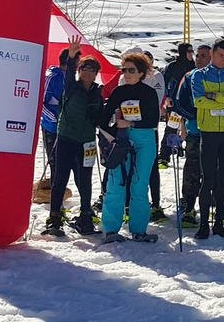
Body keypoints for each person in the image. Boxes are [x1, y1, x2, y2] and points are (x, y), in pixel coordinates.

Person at [44, 36, 103, 236]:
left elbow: (100, 116)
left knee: (84, 179)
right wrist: (71, 56)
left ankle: (85, 217)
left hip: (87, 141)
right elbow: (68, 74)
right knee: (60, 177)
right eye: (84, 68)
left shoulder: (97, 92)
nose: (87, 72)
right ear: (79, 71)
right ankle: (54, 218)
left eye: (91, 69)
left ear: (96, 74)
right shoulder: (71, 86)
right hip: (66, 137)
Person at [98, 52, 160, 244]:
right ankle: (110, 229)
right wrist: (112, 132)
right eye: (124, 70)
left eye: (131, 70)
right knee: (116, 183)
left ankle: (139, 229)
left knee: (140, 184)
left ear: (142, 72)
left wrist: (130, 125)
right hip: (122, 141)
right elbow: (104, 118)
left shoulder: (149, 93)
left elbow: (152, 120)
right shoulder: (119, 91)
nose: (126, 74)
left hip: (144, 139)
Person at [191, 39, 224, 240]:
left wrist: (214, 96)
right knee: (208, 179)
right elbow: (198, 101)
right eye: (220, 55)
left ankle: (219, 223)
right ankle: (204, 224)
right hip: (209, 131)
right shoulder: (200, 75)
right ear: (213, 54)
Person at [172, 44, 211, 227]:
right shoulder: (188, 77)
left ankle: (218, 204)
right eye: (198, 55)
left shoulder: (220, 76)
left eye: (204, 55)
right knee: (192, 170)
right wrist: (194, 117)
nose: (199, 58)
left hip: (215, 132)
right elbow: (178, 103)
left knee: (214, 169)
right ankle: (188, 205)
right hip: (195, 131)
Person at [159, 43, 195, 167]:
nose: (191, 54)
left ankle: (192, 154)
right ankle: (164, 156)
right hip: (174, 104)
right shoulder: (172, 67)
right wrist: (167, 97)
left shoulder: (194, 66)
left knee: (191, 130)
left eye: (192, 51)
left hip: (191, 104)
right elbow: (163, 82)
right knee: (171, 129)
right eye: (189, 51)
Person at [142, 51, 168, 223]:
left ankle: (156, 203)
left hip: (150, 127)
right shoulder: (129, 75)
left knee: (151, 166)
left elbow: (157, 99)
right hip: (132, 128)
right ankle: (134, 204)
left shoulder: (156, 76)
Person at [41, 48, 68, 189]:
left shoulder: (71, 78)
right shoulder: (51, 77)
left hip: (67, 128)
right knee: (55, 163)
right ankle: (55, 201)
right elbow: (40, 102)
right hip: (51, 127)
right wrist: (54, 118)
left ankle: (60, 194)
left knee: (65, 163)